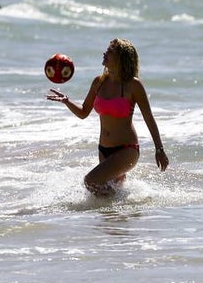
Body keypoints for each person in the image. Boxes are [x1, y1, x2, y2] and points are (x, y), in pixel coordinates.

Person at [47, 38, 169, 195]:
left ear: (121, 58)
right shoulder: (99, 82)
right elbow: (84, 112)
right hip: (104, 150)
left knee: (91, 182)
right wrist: (67, 101)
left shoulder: (133, 85)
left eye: (110, 51)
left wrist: (159, 149)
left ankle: (128, 207)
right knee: (111, 202)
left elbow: (149, 118)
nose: (105, 53)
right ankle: (128, 212)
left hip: (126, 150)